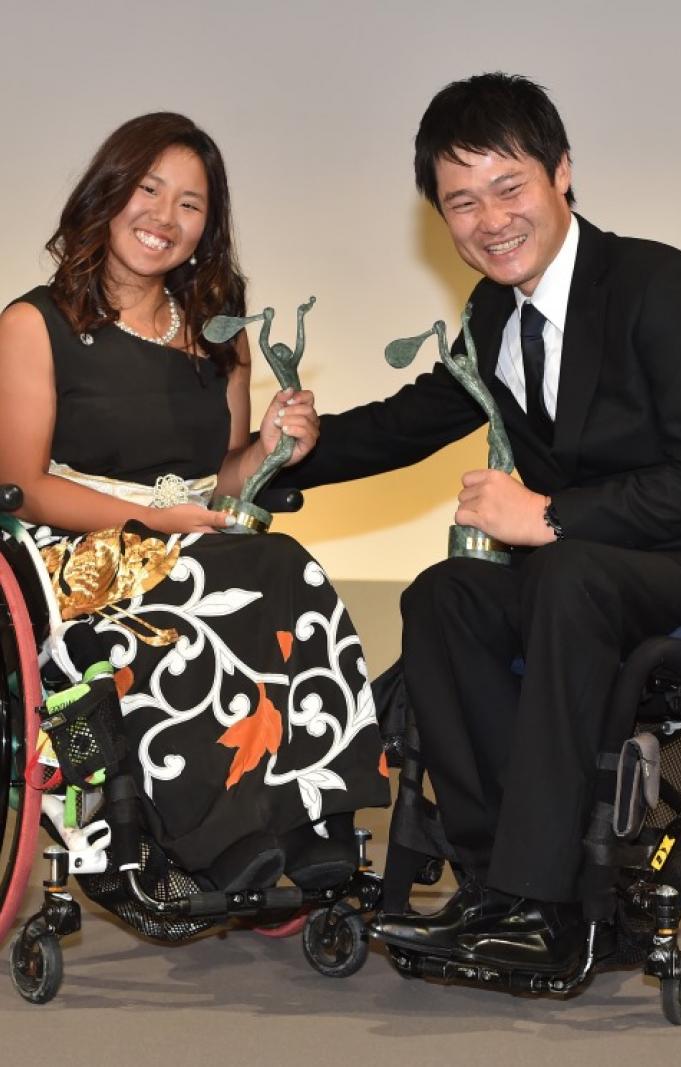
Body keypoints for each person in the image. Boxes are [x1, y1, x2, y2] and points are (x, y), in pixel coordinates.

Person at [267, 73, 681, 967]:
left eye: (509, 188)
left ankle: (545, 902)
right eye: (462, 202)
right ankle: (494, 876)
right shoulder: (495, 310)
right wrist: (296, 452)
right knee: (442, 597)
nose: (489, 220)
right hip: (574, 576)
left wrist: (550, 513)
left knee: (563, 572)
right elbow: (416, 416)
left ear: (562, 173)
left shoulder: (665, 284)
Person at [0, 112, 389, 899]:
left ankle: (313, 813)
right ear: (107, 193)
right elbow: (23, 484)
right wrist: (152, 524)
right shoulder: (34, 325)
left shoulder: (221, 332)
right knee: (201, 591)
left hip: (188, 538)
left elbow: (223, 478)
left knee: (288, 568)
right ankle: (216, 833)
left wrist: (274, 444)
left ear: (208, 226)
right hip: (74, 556)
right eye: (148, 189)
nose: (163, 217)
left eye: (190, 203)